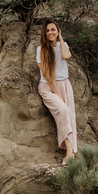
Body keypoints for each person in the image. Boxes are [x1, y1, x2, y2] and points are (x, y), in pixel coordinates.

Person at [36, 18, 77, 164]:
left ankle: (70, 151)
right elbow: (48, 77)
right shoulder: (41, 49)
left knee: (69, 115)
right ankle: (69, 152)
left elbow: (66, 56)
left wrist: (60, 37)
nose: (50, 33)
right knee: (63, 110)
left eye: (53, 29)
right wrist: (58, 95)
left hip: (65, 84)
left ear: (57, 31)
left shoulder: (63, 45)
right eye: (47, 31)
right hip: (48, 87)